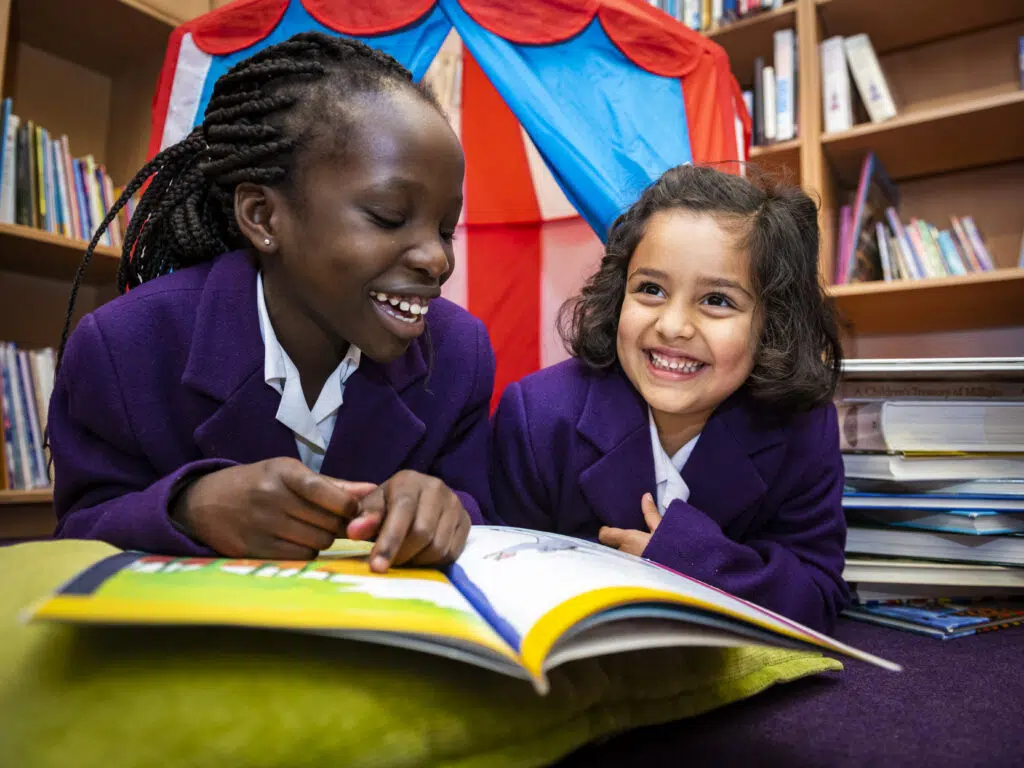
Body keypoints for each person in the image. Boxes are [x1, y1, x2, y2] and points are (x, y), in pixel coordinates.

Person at [49, 32, 493, 573]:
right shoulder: (124, 346)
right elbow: (79, 532)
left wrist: (447, 510)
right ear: (263, 217)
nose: (436, 259)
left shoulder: (460, 355)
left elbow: (474, 505)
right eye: (388, 217)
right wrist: (189, 509)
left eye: (446, 230)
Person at [490, 164, 849, 632]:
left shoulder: (803, 426)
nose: (673, 326)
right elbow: (495, 577)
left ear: (772, 326)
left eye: (717, 300)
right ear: (619, 295)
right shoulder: (537, 416)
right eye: (651, 290)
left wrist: (685, 556)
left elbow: (818, 594)